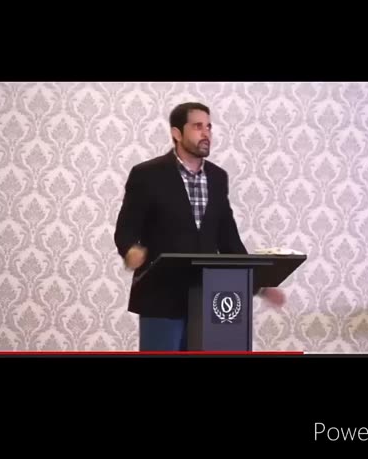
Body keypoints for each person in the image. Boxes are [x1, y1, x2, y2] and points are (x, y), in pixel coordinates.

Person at [114, 102, 285, 351]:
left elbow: (228, 239)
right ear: (176, 133)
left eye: (209, 127)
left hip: (208, 297)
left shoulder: (217, 177)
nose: (206, 133)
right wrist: (130, 250)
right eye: (197, 126)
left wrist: (259, 284)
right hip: (161, 298)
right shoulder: (147, 174)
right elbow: (126, 229)